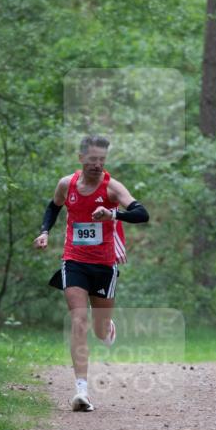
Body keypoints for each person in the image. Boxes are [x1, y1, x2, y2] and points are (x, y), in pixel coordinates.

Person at [33, 135, 149, 412]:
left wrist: (113, 216)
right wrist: (44, 231)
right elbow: (54, 206)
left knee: (98, 329)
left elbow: (142, 213)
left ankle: (106, 326)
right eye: (93, 159)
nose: (97, 164)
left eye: (102, 160)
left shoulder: (111, 188)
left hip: (105, 264)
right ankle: (81, 391)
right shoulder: (67, 184)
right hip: (73, 259)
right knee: (78, 319)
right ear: (81, 158)